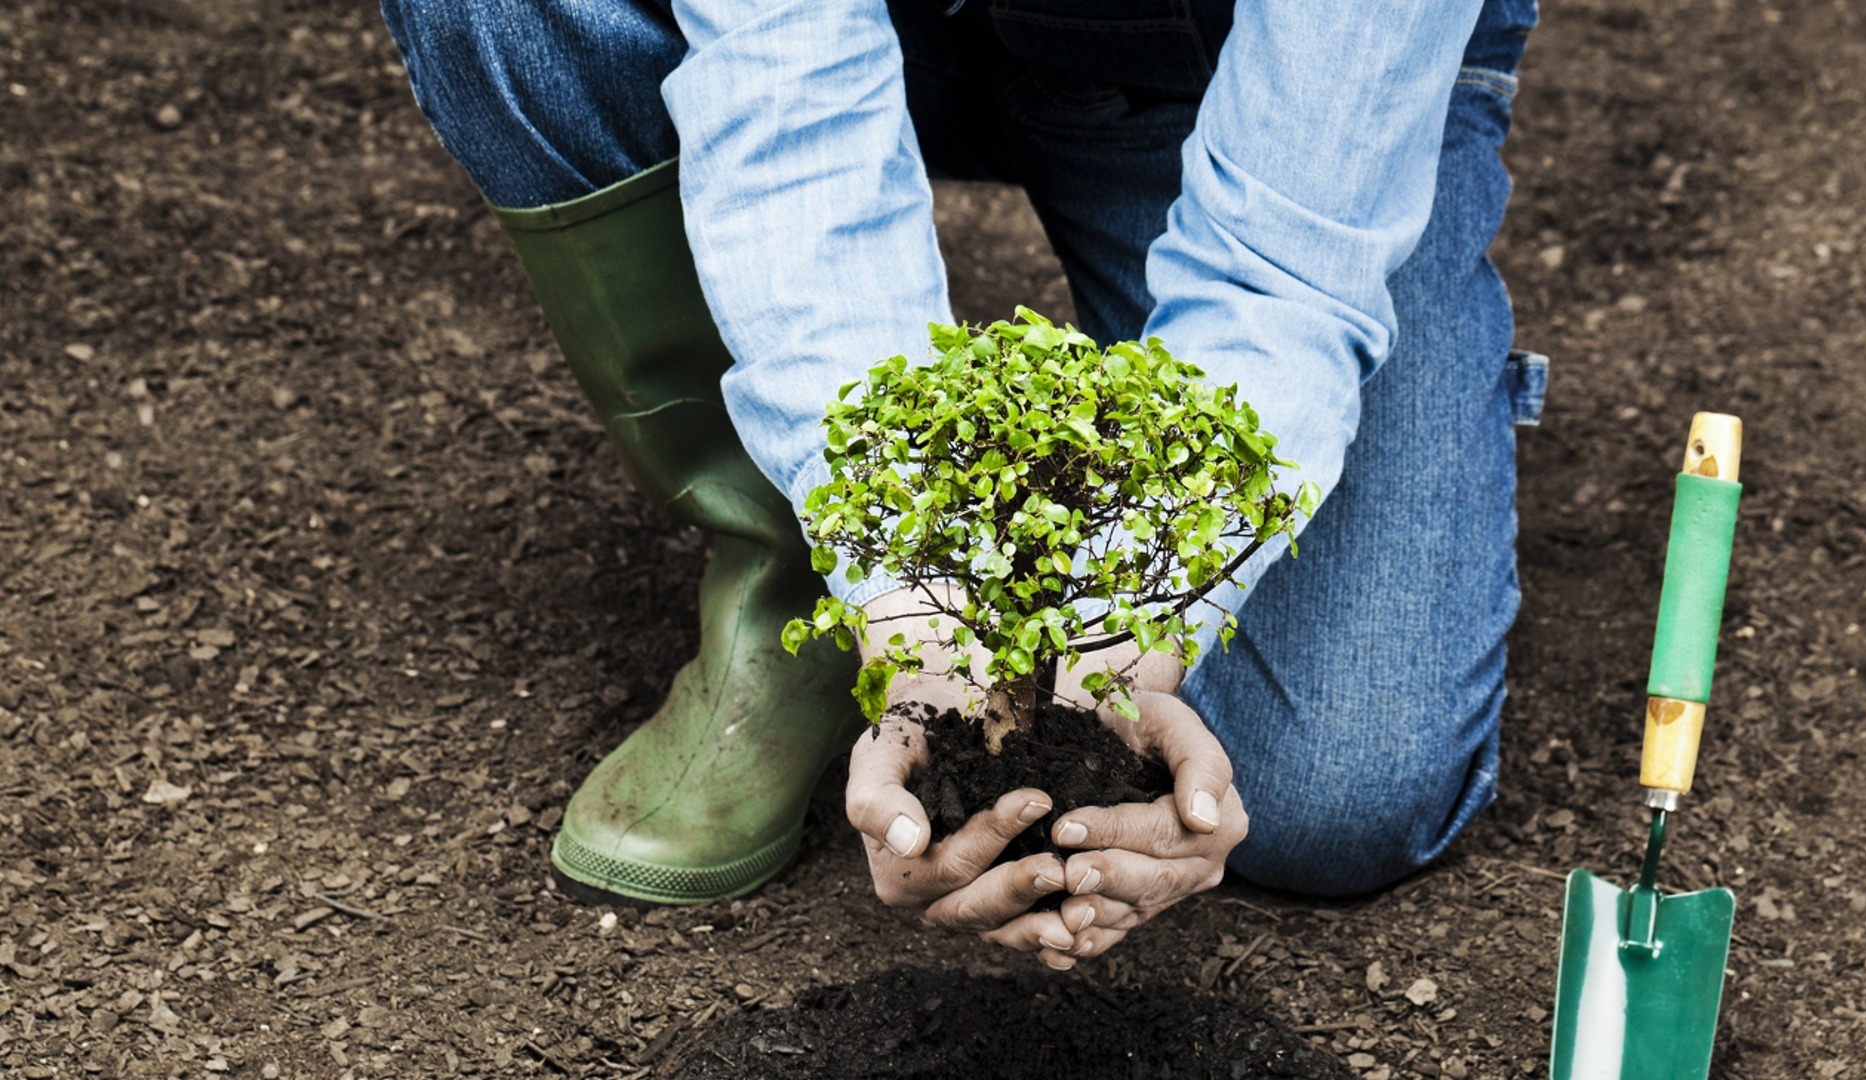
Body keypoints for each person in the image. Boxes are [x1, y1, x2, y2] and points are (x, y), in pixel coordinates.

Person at [379, 0, 1547, 971]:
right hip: (884, 29)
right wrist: (909, 597)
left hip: (1231, 79)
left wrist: (1133, 627)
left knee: (1334, 793)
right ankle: (798, 584)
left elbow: (1285, 259)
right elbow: (788, 91)